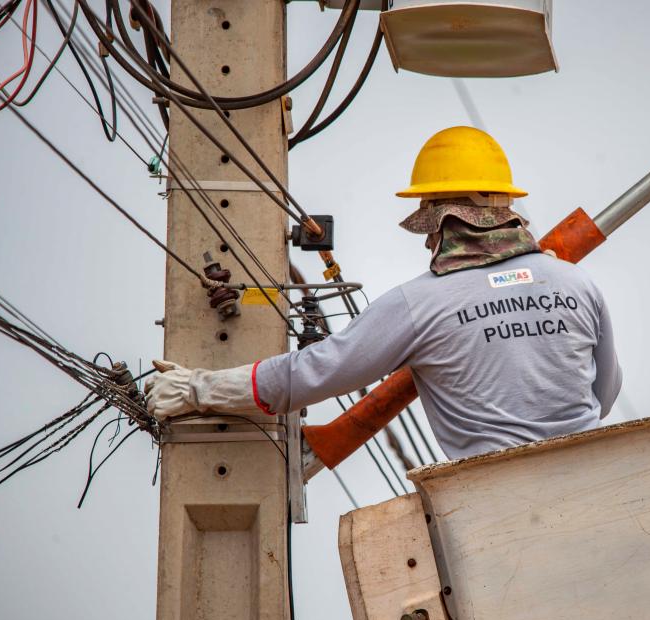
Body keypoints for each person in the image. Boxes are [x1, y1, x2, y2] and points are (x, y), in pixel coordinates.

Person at [145, 126, 622, 460]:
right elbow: (605, 392)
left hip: (491, 495)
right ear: (509, 207)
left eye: (427, 227)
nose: (427, 240)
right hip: (592, 478)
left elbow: (311, 374)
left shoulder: (421, 304)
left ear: (440, 220)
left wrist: (197, 388)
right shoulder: (576, 284)